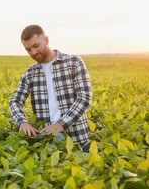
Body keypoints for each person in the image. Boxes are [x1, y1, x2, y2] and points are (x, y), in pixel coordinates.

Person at [9, 24, 92, 152]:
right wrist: (22, 122)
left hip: (78, 140)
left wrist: (61, 124)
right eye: (28, 49)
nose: (33, 52)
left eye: (36, 46)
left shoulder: (74, 63)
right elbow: (14, 101)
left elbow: (84, 98)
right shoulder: (30, 73)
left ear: (46, 40)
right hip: (48, 144)